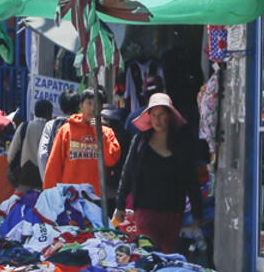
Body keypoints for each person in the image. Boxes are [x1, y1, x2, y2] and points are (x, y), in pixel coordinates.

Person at [114, 93, 203, 253]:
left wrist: (197, 215)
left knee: (167, 260)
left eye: (161, 114)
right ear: (149, 117)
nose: (157, 119)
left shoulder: (182, 144)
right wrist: (120, 206)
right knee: (149, 257)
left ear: (169, 116)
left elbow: (191, 180)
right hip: (145, 212)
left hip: (173, 213)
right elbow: (127, 173)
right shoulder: (140, 141)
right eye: (154, 115)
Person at [43, 89, 122, 198]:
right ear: (81, 105)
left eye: (97, 104)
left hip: (95, 200)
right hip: (69, 198)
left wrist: (98, 132)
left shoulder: (107, 132)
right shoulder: (66, 130)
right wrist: (49, 196)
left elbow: (111, 160)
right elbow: (54, 166)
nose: (92, 108)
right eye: (89, 103)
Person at [7, 98, 52, 191]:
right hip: (44, 181)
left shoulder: (25, 127)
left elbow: (11, 155)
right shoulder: (52, 131)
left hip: (25, 178)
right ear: (49, 114)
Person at [38, 91, 78, 179]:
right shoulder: (86, 125)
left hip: (57, 182)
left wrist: (46, 182)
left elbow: (43, 156)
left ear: (60, 106)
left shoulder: (51, 125)